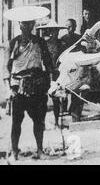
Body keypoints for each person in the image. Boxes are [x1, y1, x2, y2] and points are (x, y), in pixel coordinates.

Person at [3, 19, 54, 161]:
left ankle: (40, 150)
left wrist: (52, 83)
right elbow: (5, 69)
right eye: (22, 23)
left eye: (29, 24)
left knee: (39, 120)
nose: (25, 26)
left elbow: (48, 63)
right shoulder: (12, 43)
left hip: (37, 85)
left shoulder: (40, 42)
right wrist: (8, 89)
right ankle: (14, 152)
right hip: (18, 87)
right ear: (19, 25)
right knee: (16, 121)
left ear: (33, 25)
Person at [36, 20, 66, 128]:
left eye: (56, 31)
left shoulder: (62, 44)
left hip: (57, 73)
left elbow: (64, 59)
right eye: (53, 30)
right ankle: (42, 123)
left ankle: (57, 122)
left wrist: (59, 68)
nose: (55, 33)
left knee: (56, 98)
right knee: (43, 99)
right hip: (45, 74)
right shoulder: (44, 44)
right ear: (49, 31)